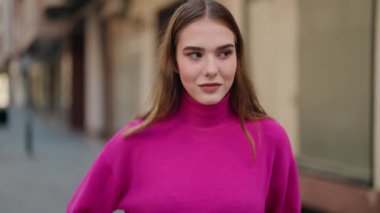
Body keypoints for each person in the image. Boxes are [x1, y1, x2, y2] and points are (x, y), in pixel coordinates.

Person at [67, 0, 301, 212]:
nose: (211, 69)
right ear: (174, 62)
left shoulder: (270, 139)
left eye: (224, 53)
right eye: (195, 55)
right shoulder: (133, 143)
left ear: (237, 58)